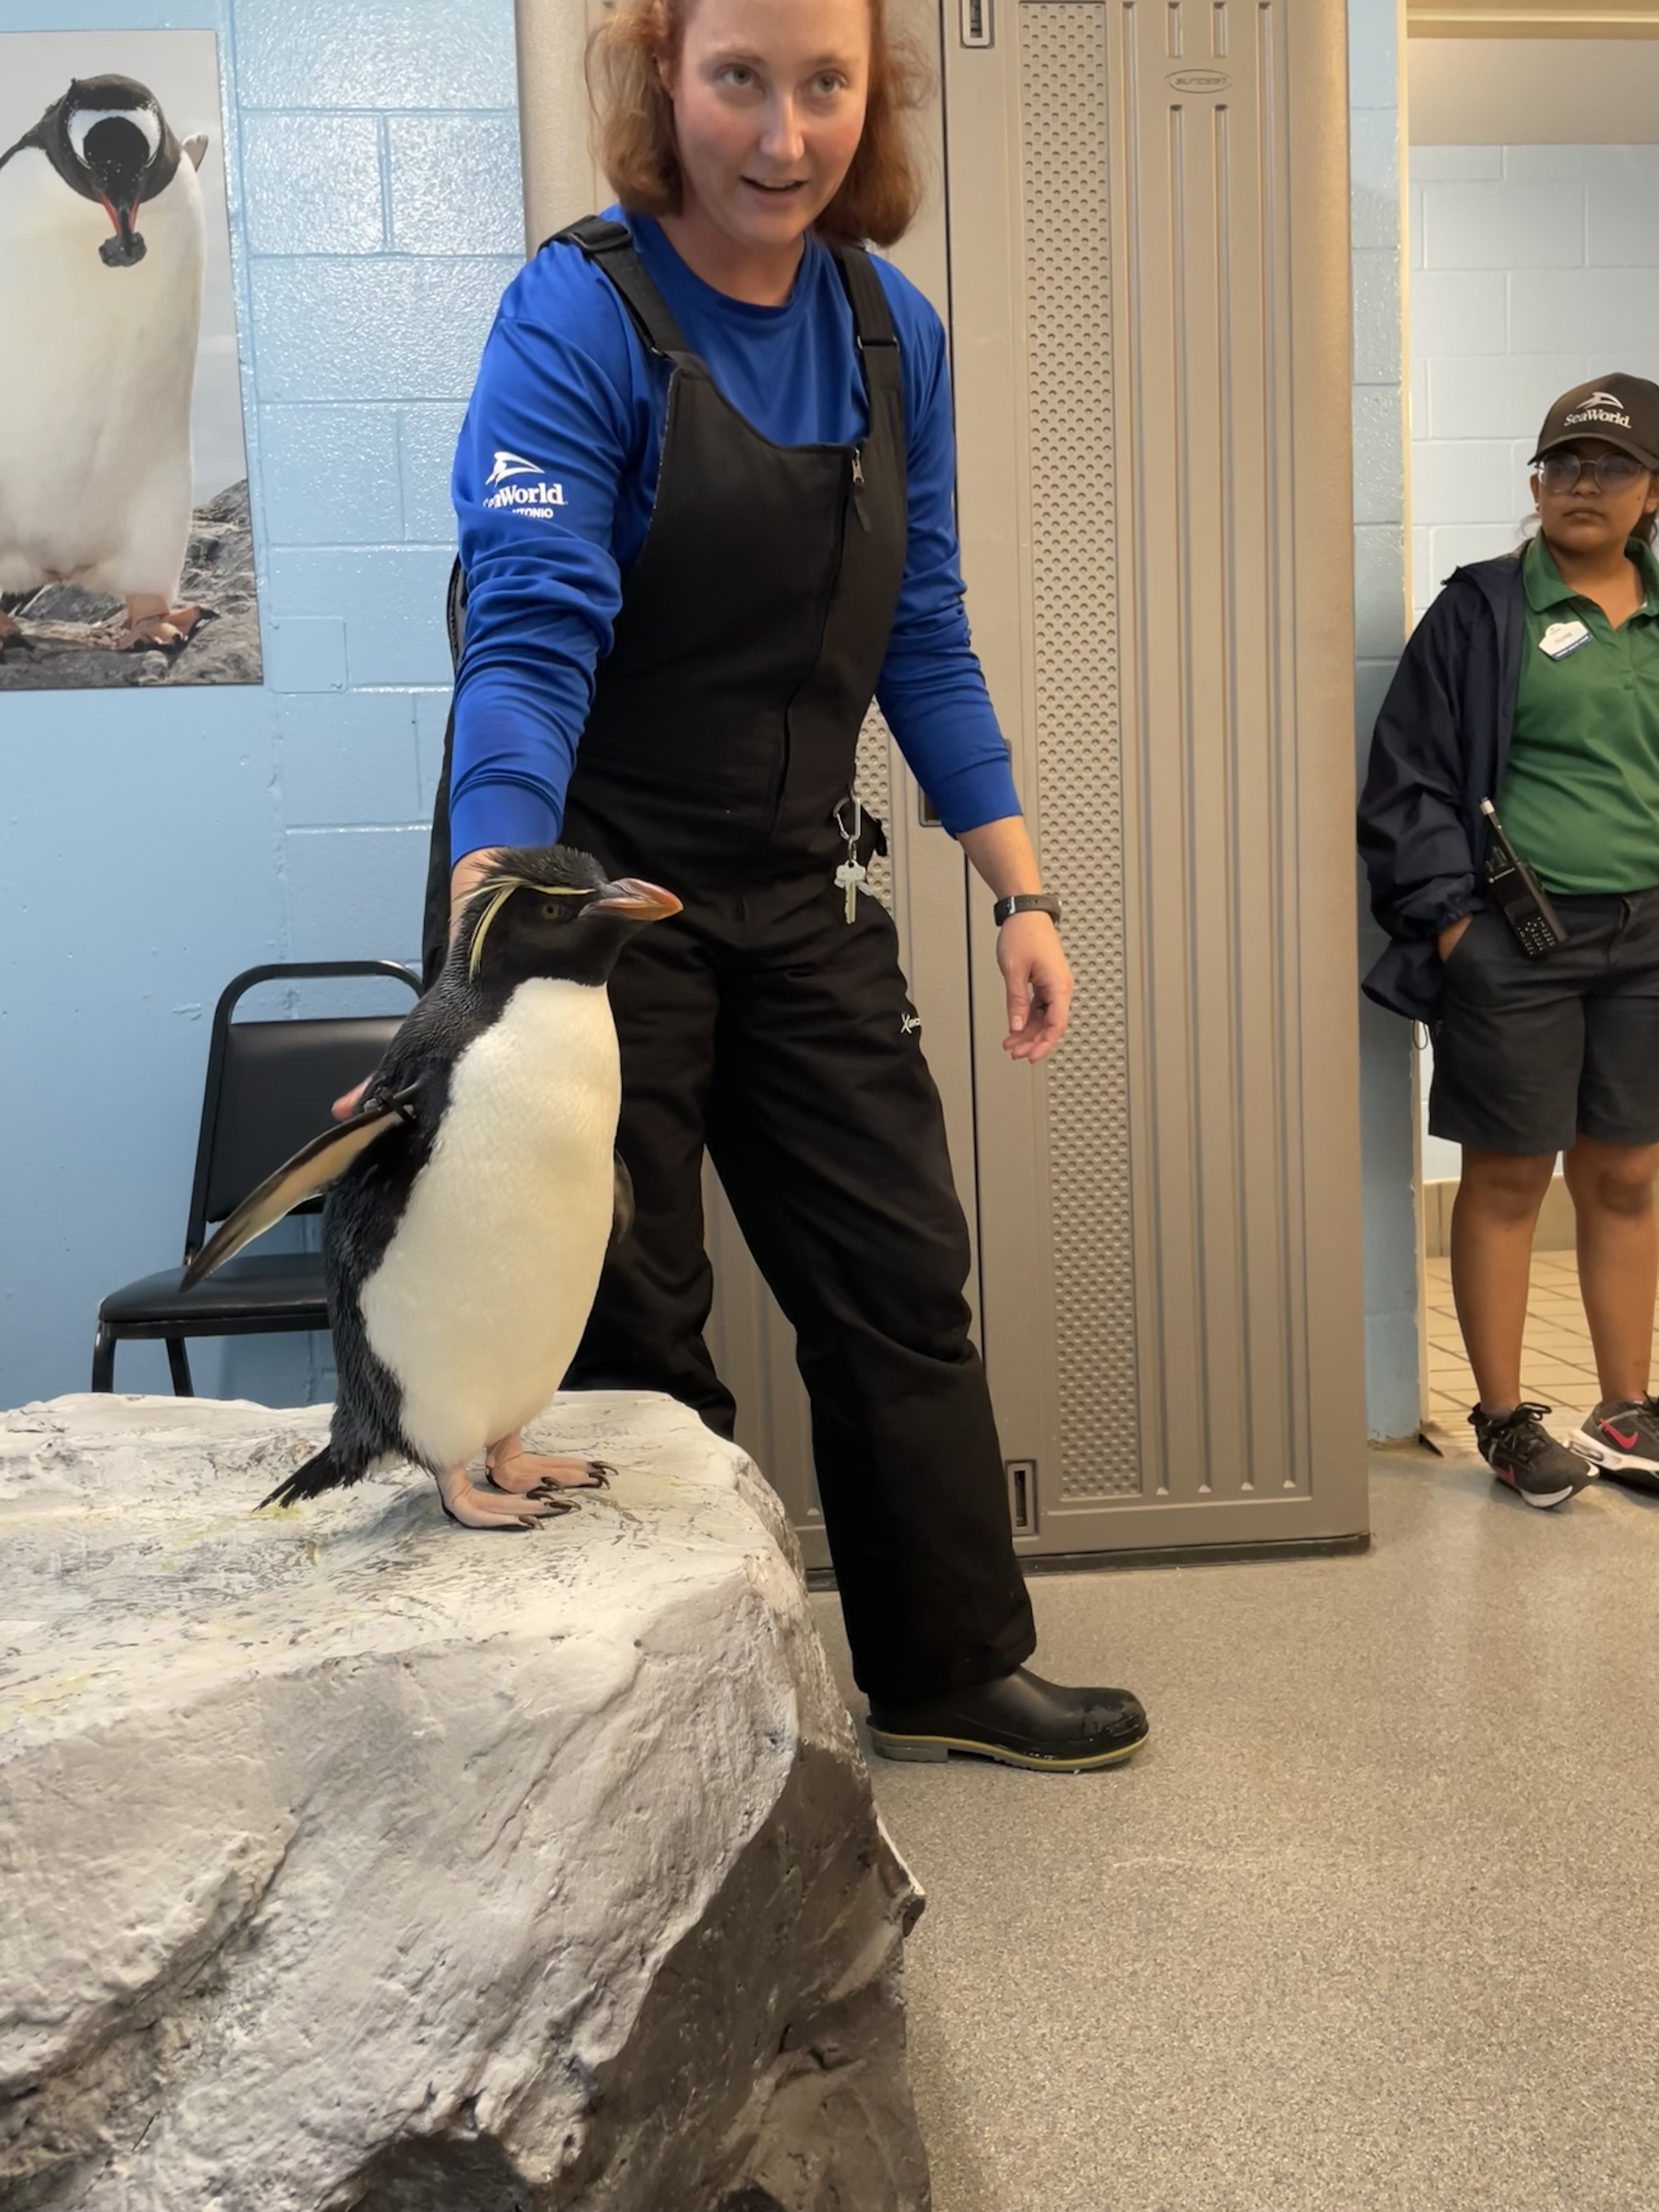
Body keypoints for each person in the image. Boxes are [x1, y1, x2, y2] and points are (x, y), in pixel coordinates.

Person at [415, 0, 1148, 1768]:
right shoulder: (581, 312)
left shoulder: (893, 335)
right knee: (629, 1316)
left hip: (800, 883)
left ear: (870, 98)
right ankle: (657, 1735)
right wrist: (494, 891)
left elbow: (923, 629)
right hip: (596, 901)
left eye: (826, 85)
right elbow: (527, 632)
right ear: (665, 79)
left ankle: (949, 1666)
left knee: (897, 1273)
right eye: (739, 78)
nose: (784, 134)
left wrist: (1022, 890)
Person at [1359, 371, 1659, 1510]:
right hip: (1515, 941)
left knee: (1626, 1169)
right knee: (1511, 1172)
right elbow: (1408, 782)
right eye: (1563, 464)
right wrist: (1454, 929)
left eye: (1613, 467)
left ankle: (1624, 1410)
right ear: (1537, 487)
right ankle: (1502, 1418)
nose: (1585, 484)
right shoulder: (1483, 613)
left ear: (1653, 494)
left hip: (1647, 938)